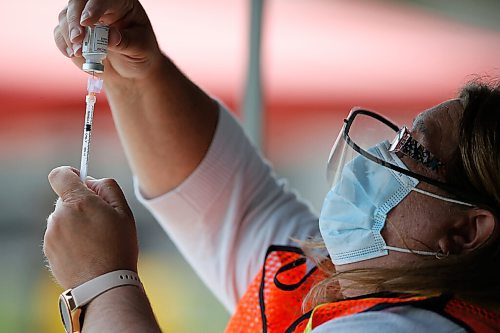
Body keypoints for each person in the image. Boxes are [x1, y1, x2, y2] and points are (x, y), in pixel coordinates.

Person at [45, 0, 500, 332]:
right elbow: (231, 206)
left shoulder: (406, 329)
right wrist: (132, 71)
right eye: (400, 133)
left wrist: (101, 282)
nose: (384, 151)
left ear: (465, 232)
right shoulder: (342, 284)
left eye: (413, 150)